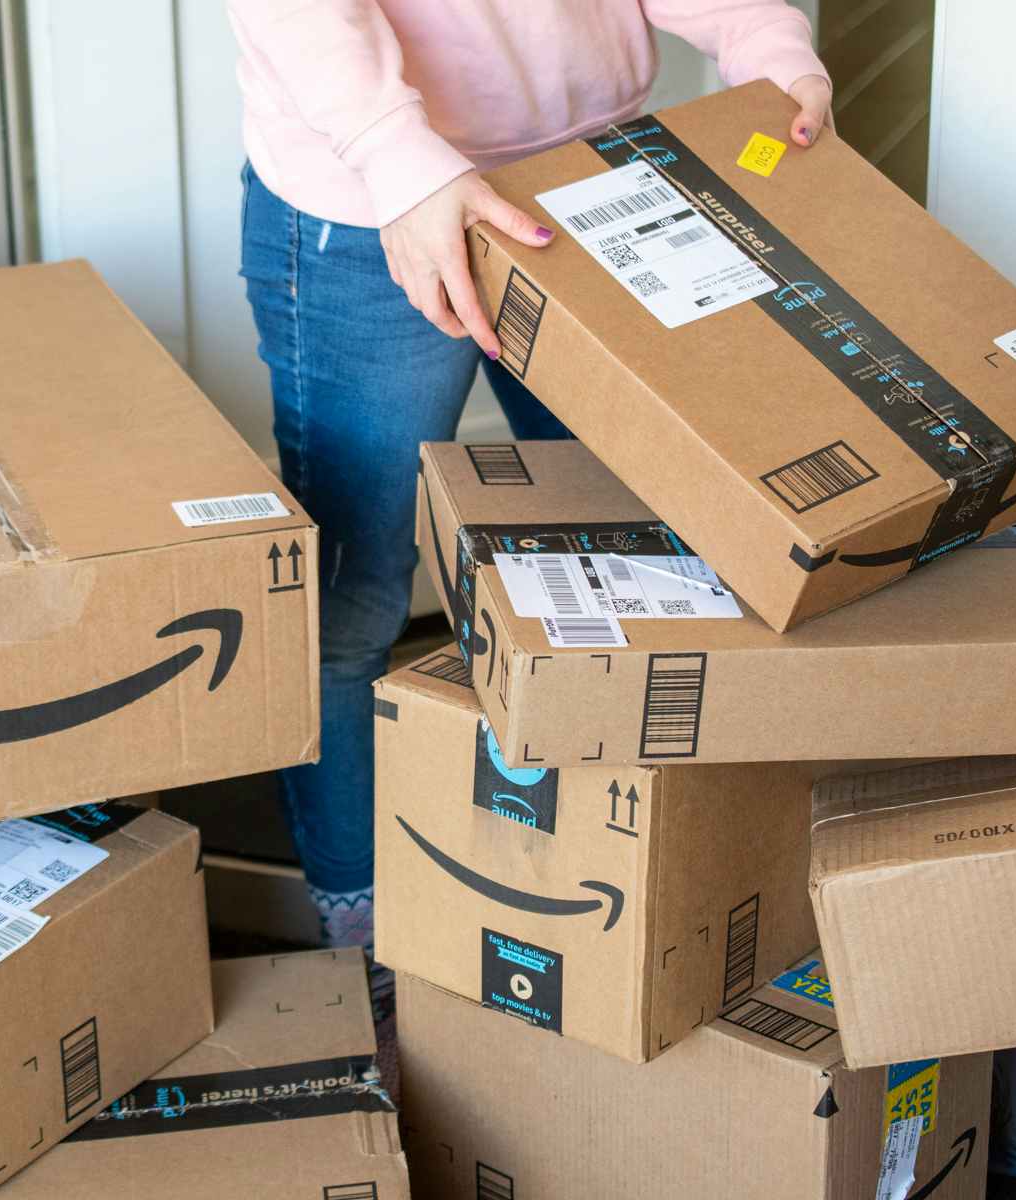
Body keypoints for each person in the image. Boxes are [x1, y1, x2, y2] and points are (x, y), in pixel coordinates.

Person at [229, 1, 833, 984]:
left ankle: (638, 897)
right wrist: (399, 155)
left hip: (585, 185)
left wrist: (768, 45)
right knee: (352, 600)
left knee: (661, 567)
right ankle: (367, 949)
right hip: (368, 202)